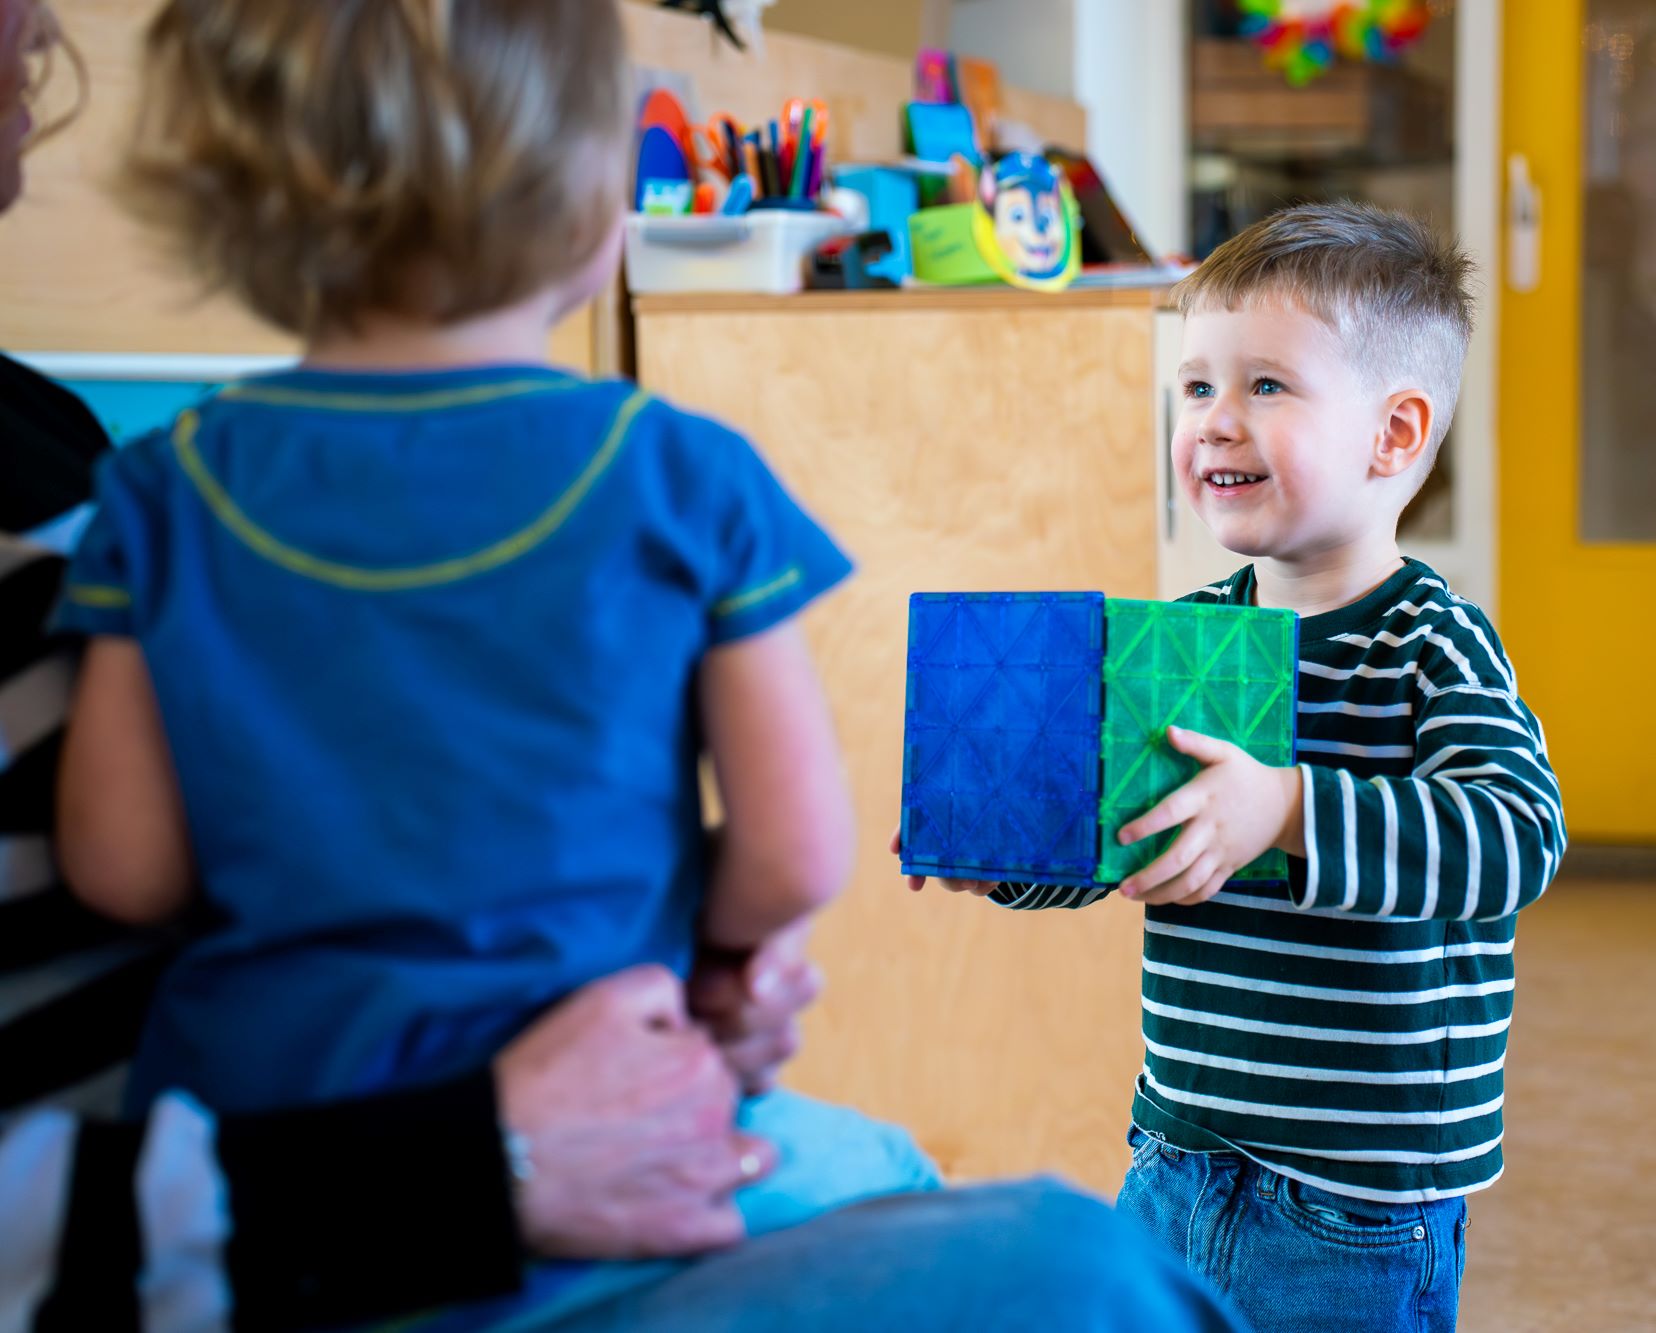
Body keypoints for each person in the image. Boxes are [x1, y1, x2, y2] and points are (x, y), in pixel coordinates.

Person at [3, 4, 1250, 1330]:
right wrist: (697, 938)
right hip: (580, 1164)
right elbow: (794, 855)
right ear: (601, 211)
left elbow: (122, 864)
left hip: (256, 1167)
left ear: (245, 206)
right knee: (1058, 1262)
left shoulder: (159, 485)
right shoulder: (675, 475)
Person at [908, 202, 1567, 1333]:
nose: (1213, 421)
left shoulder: (1431, 643)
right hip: (1177, 1146)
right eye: (1196, 386)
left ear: (1393, 434)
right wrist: (1006, 852)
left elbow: (1512, 835)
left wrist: (1289, 807)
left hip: (1350, 1198)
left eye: (1264, 386)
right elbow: (1136, 831)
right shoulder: (1191, 637)